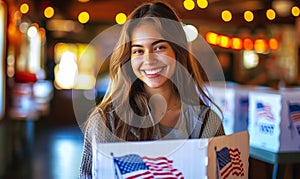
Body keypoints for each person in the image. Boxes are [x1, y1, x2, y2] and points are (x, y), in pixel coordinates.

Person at [79, 1, 225, 178]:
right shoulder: (106, 121)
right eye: (138, 51)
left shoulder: (206, 121)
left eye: (159, 47)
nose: (149, 60)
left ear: (177, 51)